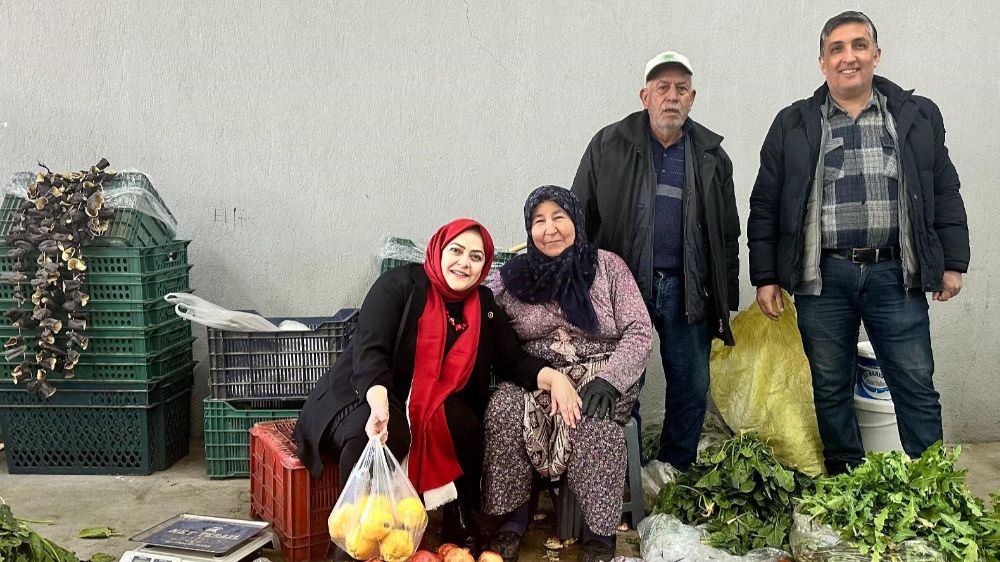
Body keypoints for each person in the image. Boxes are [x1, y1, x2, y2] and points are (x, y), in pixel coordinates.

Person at [747, 11, 969, 475]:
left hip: (896, 272)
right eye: (837, 49)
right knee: (829, 384)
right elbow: (765, 202)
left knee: (914, 380)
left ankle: (929, 482)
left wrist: (953, 261)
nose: (849, 57)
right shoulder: (794, 123)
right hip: (823, 276)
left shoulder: (915, 114)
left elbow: (943, 188)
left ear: (876, 54)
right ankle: (846, 477)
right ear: (823, 62)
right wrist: (765, 276)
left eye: (859, 45)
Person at [294, 218, 566, 556]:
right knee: (385, 432)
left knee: (465, 423)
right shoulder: (399, 285)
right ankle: (355, 543)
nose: (464, 263)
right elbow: (369, 350)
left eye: (476, 257)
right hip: (363, 390)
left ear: (484, 266)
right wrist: (378, 399)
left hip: (428, 401)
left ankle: (458, 513)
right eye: (457, 250)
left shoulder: (483, 306)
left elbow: (513, 360)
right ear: (439, 250)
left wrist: (553, 377)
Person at [571, 51, 740, 471]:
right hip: (623, 288)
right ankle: (616, 475)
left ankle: (670, 474)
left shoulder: (712, 156)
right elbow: (579, 217)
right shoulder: (609, 144)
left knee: (691, 385)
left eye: (681, 89)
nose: (671, 97)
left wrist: (725, 298)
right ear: (644, 95)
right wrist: (581, 287)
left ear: (692, 97)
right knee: (621, 381)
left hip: (689, 287)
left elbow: (727, 233)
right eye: (662, 88)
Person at [481, 186, 652, 562]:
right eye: (539, 220)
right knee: (503, 408)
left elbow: (639, 331)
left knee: (596, 418)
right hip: (539, 374)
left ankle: (598, 535)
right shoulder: (513, 278)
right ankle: (511, 520)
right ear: (529, 230)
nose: (550, 228)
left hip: (603, 370)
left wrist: (610, 380)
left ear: (576, 220)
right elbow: (477, 303)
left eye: (559, 217)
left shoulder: (607, 266)